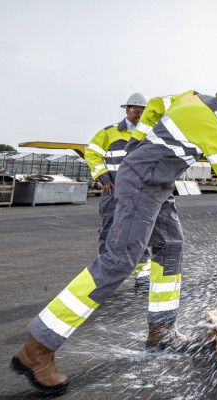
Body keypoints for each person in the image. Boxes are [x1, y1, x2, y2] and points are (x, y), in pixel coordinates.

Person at [10, 68, 217, 394]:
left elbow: (158, 104)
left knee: (170, 245)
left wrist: (137, 140)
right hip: (144, 183)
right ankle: (37, 349)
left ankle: (161, 331)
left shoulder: (194, 97)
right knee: (119, 260)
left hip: (154, 183)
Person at [84, 93, 152, 286]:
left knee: (140, 230)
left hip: (139, 191)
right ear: (127, 110)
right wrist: (102, 176)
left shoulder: (149, 133)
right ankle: (104, 274)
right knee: (109, 230)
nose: (139, 116)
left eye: (142, 113)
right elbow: (92, 154)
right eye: (136, 112)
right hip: (112, 190)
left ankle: (142, 274)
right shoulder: (109, 133)